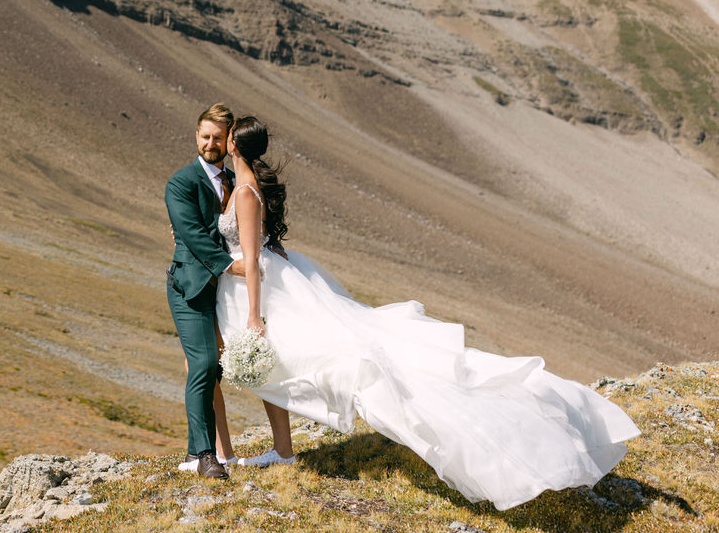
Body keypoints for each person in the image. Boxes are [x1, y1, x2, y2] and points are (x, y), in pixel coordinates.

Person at [212, 115, 640, 509]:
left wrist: (251, 313)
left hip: (263, 290)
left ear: (234, 144)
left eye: (225, 135)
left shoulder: (246, 193)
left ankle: (288, 450)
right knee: (286, 366)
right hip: (273, 281)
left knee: (347, 365)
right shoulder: (243, 184)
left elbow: (252, 259)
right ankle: (282, 450)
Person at [163, 103, 240, 480]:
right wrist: (233, 265)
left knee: (218, 369)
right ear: (196, 137)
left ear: (228, 140)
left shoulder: (237, 181)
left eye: (218, 137)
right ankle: (207, 456)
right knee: (204, 364)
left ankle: (198, 449)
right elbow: (192, 235)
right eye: (205, 136)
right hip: (190, 287)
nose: (211, 143)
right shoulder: (180, 182)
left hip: (225, 292)